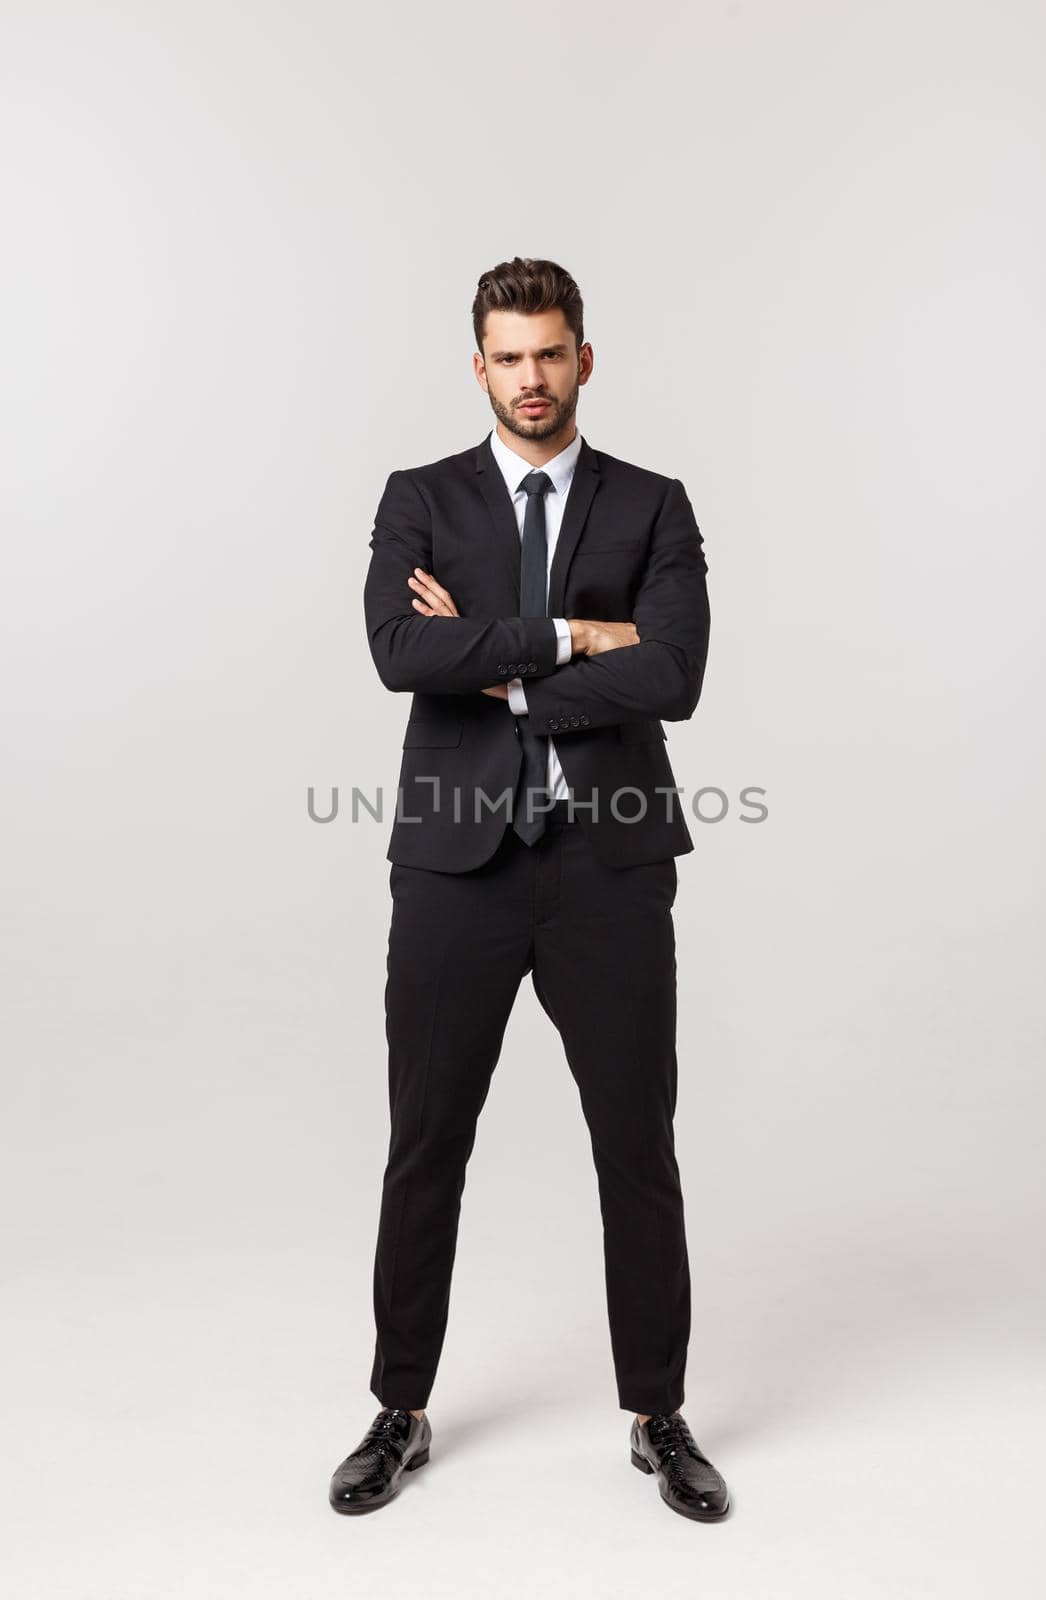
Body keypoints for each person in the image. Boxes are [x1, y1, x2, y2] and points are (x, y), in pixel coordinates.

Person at [329, 258, 730, 1522]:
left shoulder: (651, 505)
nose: (532, 378)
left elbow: (674, 676)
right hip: (455, 867)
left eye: (550, 353)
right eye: (509, 357)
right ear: (479, 366)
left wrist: (492, 664)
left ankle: (657, 1413)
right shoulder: (422, 500)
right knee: (425, 1143)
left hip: (607, 866)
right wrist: (572, 636)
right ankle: (399, 1407)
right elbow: (401, 652)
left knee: (636, 1148)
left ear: (583, 359)